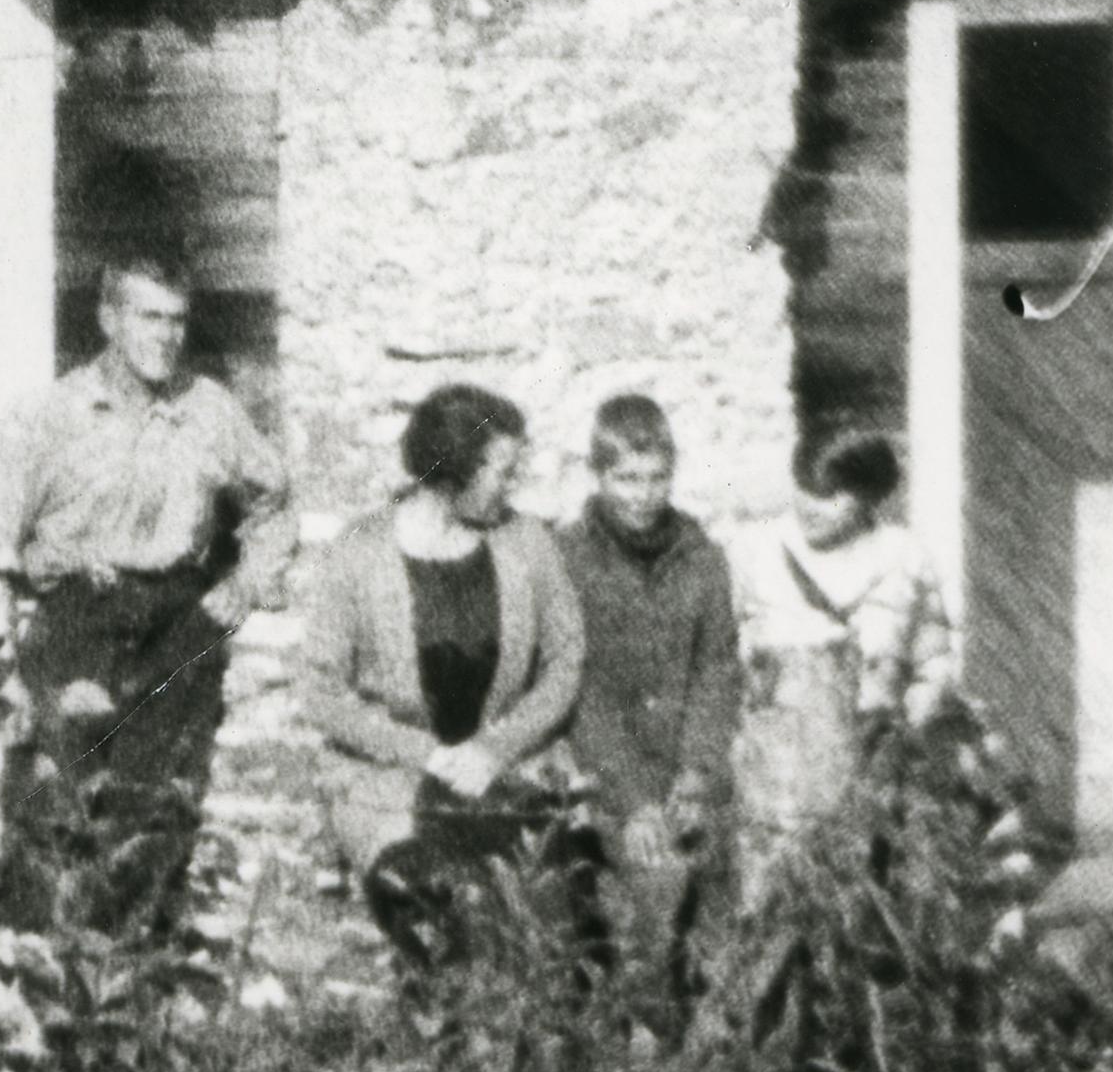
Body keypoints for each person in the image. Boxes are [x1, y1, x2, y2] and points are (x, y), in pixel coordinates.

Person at [0, 255, 290, 939]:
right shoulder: (46, 416)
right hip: (76, 617)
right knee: (49, 805)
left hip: (174, 624)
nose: (166, 336)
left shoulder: (209, 411)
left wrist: (249, 578)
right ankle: (29, 988)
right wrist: (3, 670)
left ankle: (128, 988)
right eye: (148, 317)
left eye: (176, 320)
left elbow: (273, 501)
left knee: (152, 819)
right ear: (108, 319)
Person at [298, 382, 585, 976]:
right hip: (390, 781)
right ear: (454, 471)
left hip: (499, 778)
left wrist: (494, 748)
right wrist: (426, 754)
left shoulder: (526, 541)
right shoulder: (359, 552)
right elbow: (322, 694)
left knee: (537, 925)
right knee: (433, 909)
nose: (512, 485)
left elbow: (565, 661)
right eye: (502, 470)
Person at [563, 393, 739, 1003]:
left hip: (686, 767)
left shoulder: (702, 560)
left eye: (655, 478)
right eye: (625, 478)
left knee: (725, 901)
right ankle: (642, 1034)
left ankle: (712, 1030)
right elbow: (579, 689)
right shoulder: (570, 560)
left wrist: (694, 774)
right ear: (598, 474)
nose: (641, 494)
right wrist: (636, 800)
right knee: (652, 894)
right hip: (605, 772)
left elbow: (715, 670)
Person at [748, 428, 948, 841]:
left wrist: (905, 731)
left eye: (832, 494)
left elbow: (934, 662)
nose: (811, 506)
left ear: (870, 496)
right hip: (781, 785)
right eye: (805, 487)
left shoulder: (905, 558)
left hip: (872, 778)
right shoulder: (757, 553)